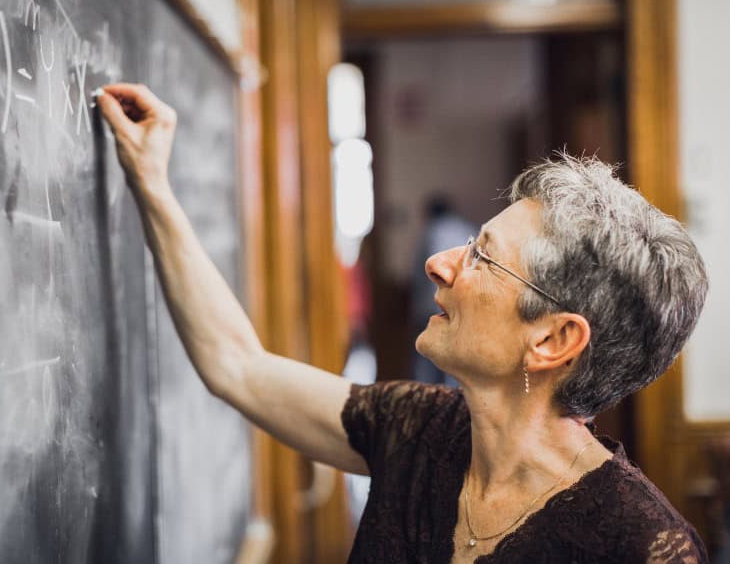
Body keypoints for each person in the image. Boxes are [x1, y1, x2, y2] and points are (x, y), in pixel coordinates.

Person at [96, 83, 709, 563]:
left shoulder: (640, 544)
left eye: (482, 257)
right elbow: (238, 367)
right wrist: (152, 184)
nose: (438, 264)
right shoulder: (416, 430)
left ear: (553, 339)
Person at [411, 195, 476, 386]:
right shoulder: (468, 229)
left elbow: (420, 273)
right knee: (457, 360)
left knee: (426, 362)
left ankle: (426, 402)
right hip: (464, 306)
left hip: (430, 306)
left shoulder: (431, 231)